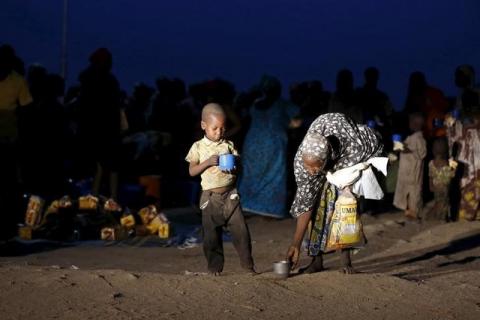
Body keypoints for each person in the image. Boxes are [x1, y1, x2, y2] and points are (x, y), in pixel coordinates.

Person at [286, 113, 382, 274]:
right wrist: (295, 243)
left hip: (346, 155)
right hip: (329, 148)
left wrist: (360, 172)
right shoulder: (302, 165)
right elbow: (306, 203)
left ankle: (346, 261)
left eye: (315, 167)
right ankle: (316, 261)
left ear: (326, 159)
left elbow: (377, 141)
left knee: (345, 209)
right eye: (308, 166)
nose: (311, 171)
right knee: (316, 210)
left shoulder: (357, 147)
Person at [185, 103, 255, 275]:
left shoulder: (228, 144)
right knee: (211, 237)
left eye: (223, 128)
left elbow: (239, 165)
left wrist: (234, 167)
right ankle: (214, 268)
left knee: (241, 233)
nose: (219, 132)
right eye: (214, 128)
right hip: (210, 198)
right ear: (204, 126)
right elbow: (192, 171)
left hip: (231, 195)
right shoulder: (198, 147)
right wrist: (207, 162)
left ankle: (248, 267)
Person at [238, 75, 299, 218]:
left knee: (251, 174)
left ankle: (247, 205)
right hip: (273, 144)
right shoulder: (282, 104)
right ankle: (271, 210)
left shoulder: (255, 104)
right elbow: (298, 119)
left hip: (253, 144)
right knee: (274, 175)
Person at [76, 48, 123, 200]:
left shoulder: (87, 80)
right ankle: (110, 199)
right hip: (105, 129)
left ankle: (95, 199)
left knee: (99, 167)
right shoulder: (108, 81)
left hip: (93, 129)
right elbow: (114, 108)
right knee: (109, 166)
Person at [447, 90, 480, 221]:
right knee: (467, 183)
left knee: (468, 183)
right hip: (465, 156)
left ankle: (468, 214)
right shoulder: (456, 118)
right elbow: (452, 136)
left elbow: (451, 136)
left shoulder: (458, 118)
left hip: (469, 156)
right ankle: (467, 214)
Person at [393, 113, 427, 220]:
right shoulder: (411, 137)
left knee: (414, 192)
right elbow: (402, 148)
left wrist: (402, 146)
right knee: (406, 191)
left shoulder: (419, 139)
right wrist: (397, 145)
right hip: (406, 170)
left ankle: (414, 212)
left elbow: (421, 153)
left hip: (413, 171)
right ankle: (408, 210)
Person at [404, 72, 449, 139]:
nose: (416, 84)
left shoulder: (434, 93)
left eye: (418, 81)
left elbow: (443, 111)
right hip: (419, 133)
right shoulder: (412, 97)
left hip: (435, 132)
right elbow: (408, 112)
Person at [423, 138, 455, 221]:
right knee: (444, 203)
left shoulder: (431, 163)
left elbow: (430, 176)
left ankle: (437, 217)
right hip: (444, 187)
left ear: (433, 150)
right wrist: (454, 167)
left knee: (438, 202)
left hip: (436, 186)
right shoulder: (448, 163)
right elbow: (451, 176)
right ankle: (443, 218)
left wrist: (431, 186)